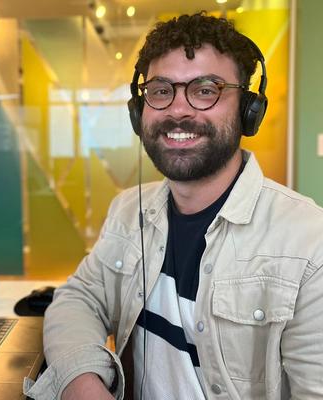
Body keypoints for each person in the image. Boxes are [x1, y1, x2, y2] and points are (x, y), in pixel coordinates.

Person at [24, 11, 323, 400]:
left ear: (248, 110)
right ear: (139, 111)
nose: (178, 110)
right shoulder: (127, 210)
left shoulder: (309, 242)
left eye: (206, 90)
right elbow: (79, 297)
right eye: (161, 90)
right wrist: (81, 381)